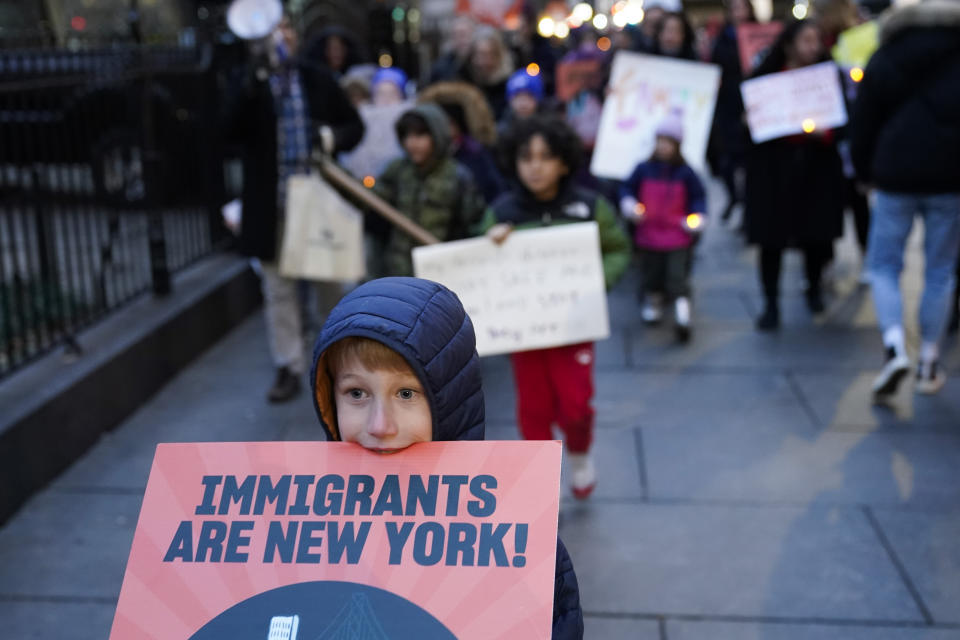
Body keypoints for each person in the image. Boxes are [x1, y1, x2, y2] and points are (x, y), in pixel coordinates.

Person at [309, 277, 584, 639]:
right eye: (356, 392)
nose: (380, 425)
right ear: (330, 399)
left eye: (406, 393)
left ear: (449, 398)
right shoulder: (298, 525)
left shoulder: (519, 541)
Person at [481, 115, 631, 499]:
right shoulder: (502, 212)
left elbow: (617, 249)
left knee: (576, 406)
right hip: (525, 333)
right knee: (533, 408)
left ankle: (579, 454)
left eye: (545, 157)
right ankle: (541, 482)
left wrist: (597, 282)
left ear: (564, 162)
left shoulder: (588, 206)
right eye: (526, 156)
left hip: (575, 326)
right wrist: (490, 242)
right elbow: (480, 267)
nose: (535, 165)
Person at [222, 14, 364, 403]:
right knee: (278, 290)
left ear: (296, 38)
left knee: (328, 286)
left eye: (286, 28)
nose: (280, 36)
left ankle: (339, 363)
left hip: (316, 202)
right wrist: (254, 80)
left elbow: (355, 127)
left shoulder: (316, 78)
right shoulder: (248, 81)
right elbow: (227, 131)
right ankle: (288, 365)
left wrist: (330, 137)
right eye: (273, 30)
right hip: (272, 207)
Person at [850, 0, 960, 397]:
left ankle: (895, 345)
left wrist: (862, 172)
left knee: (883, 265)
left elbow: (863, 119)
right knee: (940, 270)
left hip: (895, 173)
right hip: (949, 176)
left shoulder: (889, 52)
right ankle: (929, 358)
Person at [745, 20, 845, 331]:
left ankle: (814, 289)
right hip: (774, 169)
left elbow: (843, 125)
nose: (812, 48)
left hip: (816, 167)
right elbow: (749, 124)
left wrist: (824, 134)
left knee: (815, 234)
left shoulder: (829, 78)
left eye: (816, 41)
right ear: (789, 44)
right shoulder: (767, 78)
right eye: (806, 40)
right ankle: (771, 302)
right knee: (770, 237)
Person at [619, 109, 707, 342]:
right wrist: (630, 204)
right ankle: (653, 301)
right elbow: (627, 189)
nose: (663, 147)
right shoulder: (643, 169)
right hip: (648, 234)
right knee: (652, 274)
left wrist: (697, 217)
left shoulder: (686, 173)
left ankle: (682, 312)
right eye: (660, 141)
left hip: (677, 234)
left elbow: (698, 198)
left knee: (677, 276)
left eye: (669, 142)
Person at [373, 104, 485, 276]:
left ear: (436, 135)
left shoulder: (457, 176)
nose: (412, 143)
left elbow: (474, 223)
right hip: (398, 270)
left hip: (441, 269)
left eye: (420, 135)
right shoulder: (399, 171)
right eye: (407, 136)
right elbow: (374, 200)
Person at [418, 81, 507, 205]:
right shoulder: (423, 154)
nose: (443, 128)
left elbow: (494, 191)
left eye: (448, 122)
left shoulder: (474, 153)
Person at [707, 0, 755, 223]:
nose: (739, 12)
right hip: (729, 105)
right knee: (726, 158)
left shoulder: (759, 34)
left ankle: (748, 205)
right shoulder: (723, 38)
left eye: (742, 7)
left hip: (754, 104)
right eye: (734, 8)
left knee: (749, 161)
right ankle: (735, 198)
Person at [460, 25, 516, 120]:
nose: (484, 62)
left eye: (490, 55)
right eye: (480, 54)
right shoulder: (464, 80)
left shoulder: (510, 85)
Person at [498, 68, 545, 138]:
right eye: (517, 97)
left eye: (529, 96)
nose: (523, 104)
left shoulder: (548, 129)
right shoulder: (502, 131)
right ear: (510, 100)